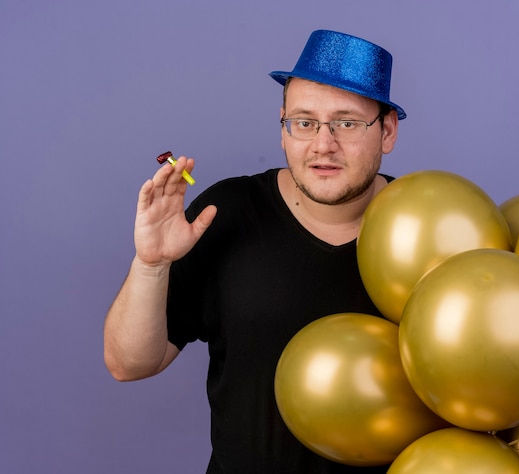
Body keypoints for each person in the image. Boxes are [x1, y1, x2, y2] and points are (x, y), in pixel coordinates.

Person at [104, 29, 406, 473]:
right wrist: (152, 265)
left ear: (387, 132)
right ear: (283, 128)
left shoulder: (425, 233)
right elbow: (128, 364)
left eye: (346, 122)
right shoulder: (227, 213)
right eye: (304, 122)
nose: (323, 144)